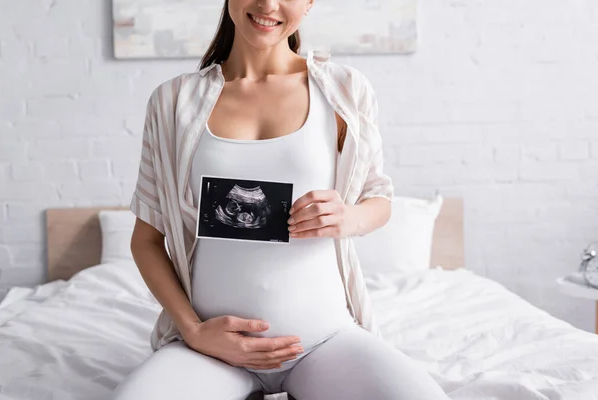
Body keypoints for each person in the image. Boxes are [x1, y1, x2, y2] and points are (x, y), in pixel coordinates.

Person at [112, 0, 450, 399]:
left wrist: (348, 217)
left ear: (308, 3)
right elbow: (146, 241)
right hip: (212, 350)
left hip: (325, 340)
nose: (268, 5)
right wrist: (194, 331)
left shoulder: (343, 90)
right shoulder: (172, 102)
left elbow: (378, 199)